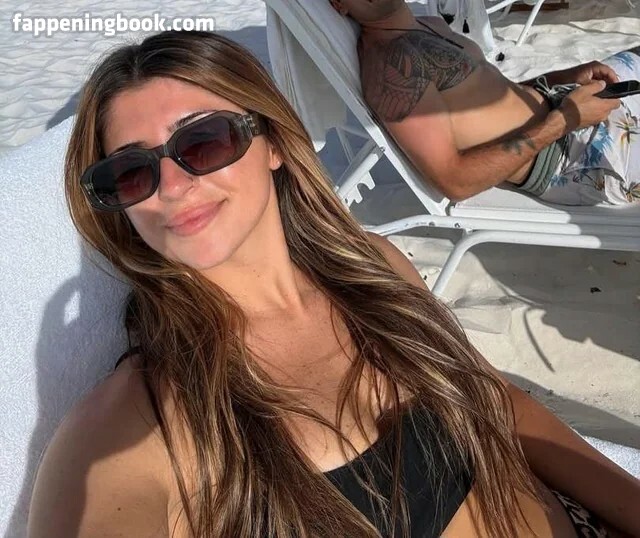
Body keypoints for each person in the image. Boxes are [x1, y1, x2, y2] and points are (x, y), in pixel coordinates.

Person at [27, 30, 639, 538]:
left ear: (273, 144)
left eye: (203, 141)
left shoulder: (373, 267)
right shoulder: (137, 424)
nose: (172, 185)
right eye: (131, 173)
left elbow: (496, 401)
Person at [329, 0, 640, 206]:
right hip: (574, 160)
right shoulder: (391, 67)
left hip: (568, 105)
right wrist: (565, 120)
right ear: (338, 3)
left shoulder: (429, 23)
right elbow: (454, 180)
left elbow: (497, 98)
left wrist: (565, 77)